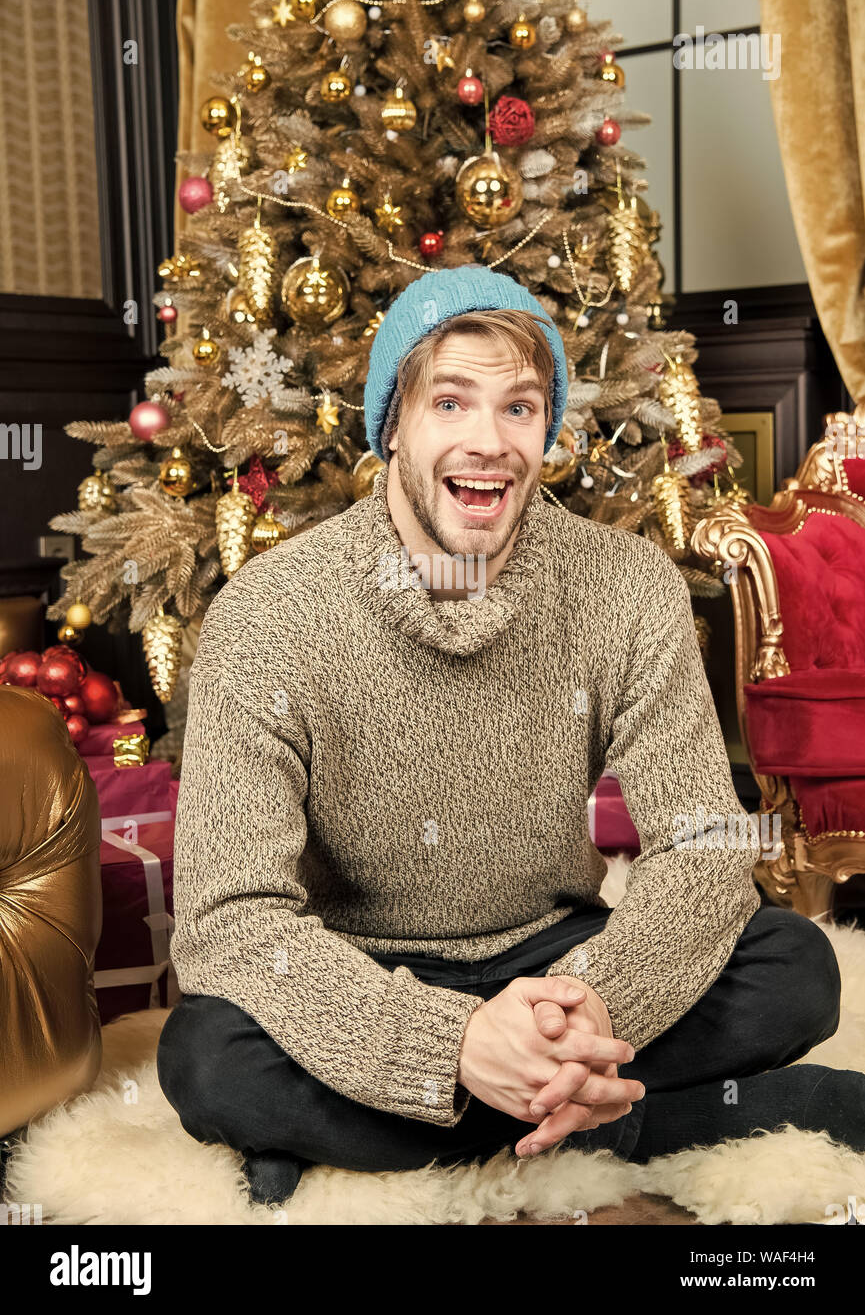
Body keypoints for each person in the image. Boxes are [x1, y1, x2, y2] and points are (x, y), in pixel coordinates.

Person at [157, 266, 864, 1208]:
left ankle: (412, 1127)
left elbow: (701, 847)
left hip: (556, 957)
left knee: (795, 968)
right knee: (207, 1059)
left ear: (545, 428)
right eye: (450, 401)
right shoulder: (268, 615)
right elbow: (228, 919)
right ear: (394, 424)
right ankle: (652, 1114)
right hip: (366, 968)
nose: (488, 443)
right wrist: (448, 1043)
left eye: (520, 408)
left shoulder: (624, 585)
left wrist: (592, 1003)